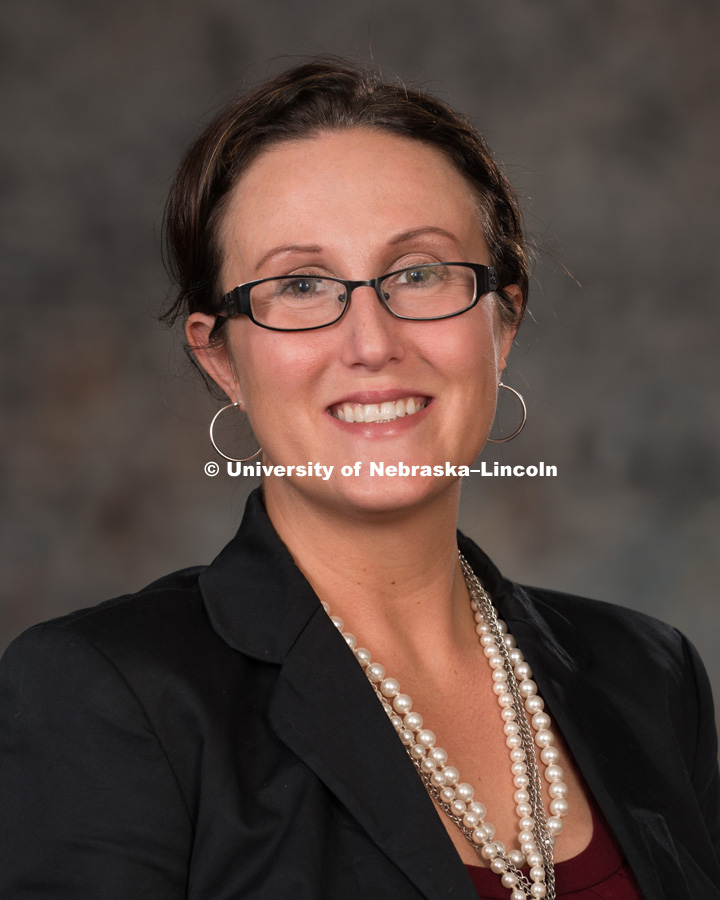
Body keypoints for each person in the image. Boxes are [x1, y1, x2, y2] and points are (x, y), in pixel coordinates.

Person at [0, 57, 718, 900]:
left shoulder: (647, 672)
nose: (371, 342)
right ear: (222, 355)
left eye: (418, 273)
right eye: (300, 285)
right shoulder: (108, 694)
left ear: (504, 322)